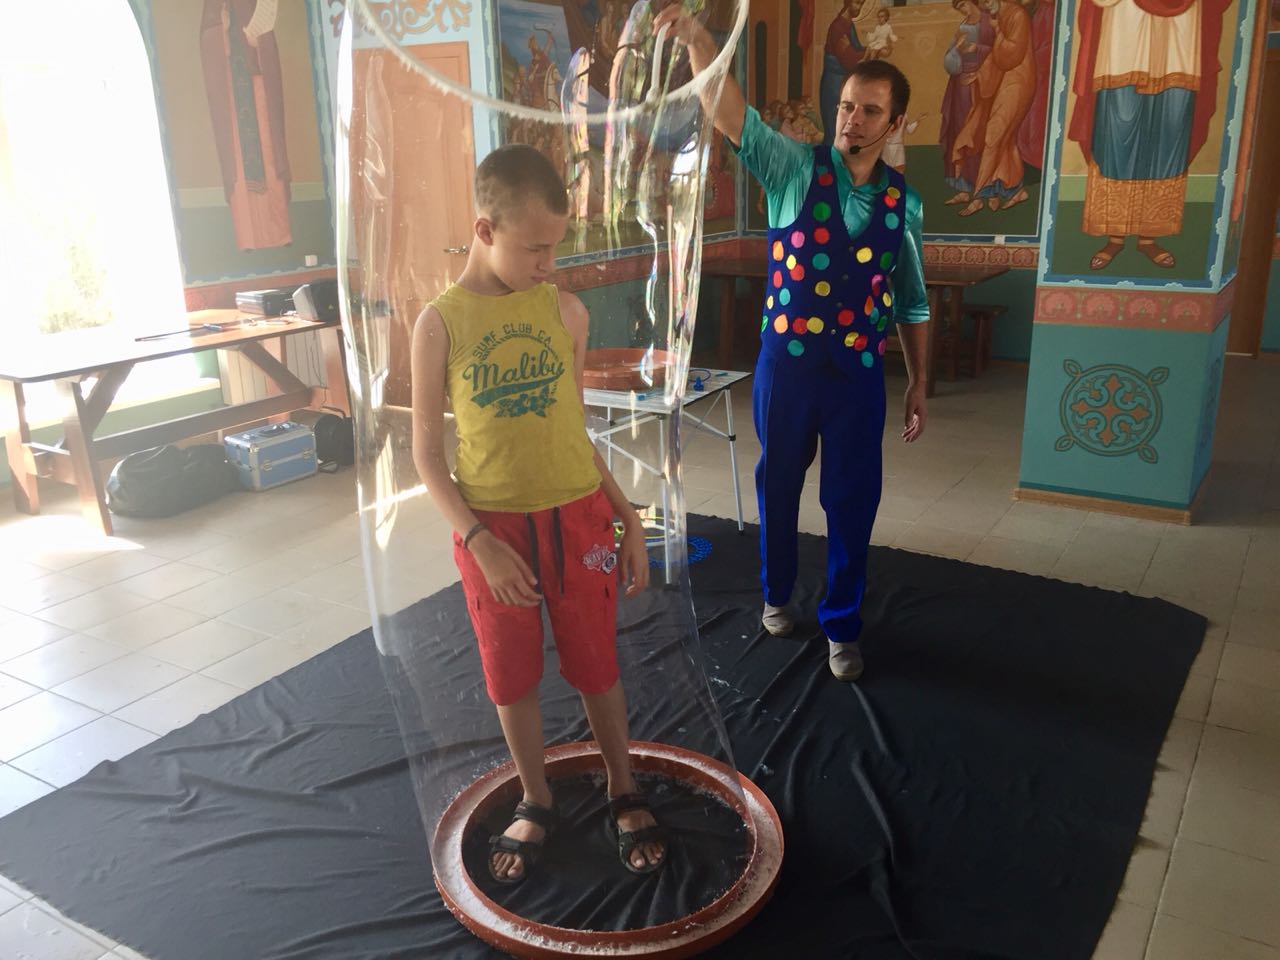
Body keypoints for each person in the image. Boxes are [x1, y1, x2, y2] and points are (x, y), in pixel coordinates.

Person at [411, 143, 666, 884]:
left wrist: (627, 516)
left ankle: (622, 785)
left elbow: (574, 431)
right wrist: (478, 540)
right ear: (484, 230)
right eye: (534, 249)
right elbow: (426, 456)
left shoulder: (566, 311)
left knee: (596, 662)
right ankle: (536, 795)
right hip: (495, 531)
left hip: (578, 519)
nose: (548, 264)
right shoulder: (440, 324)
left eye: (556, 247)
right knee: (511, 673)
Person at [655, 8, 931, 683]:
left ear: (895, 123)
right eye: (846, 106)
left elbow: (912, 302)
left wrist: (920, 382)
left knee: (852, 498)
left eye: (869, 110)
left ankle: (842, 624)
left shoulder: (906, 204)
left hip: (858, 376)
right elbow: (731, 115)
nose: (852, 120)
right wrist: (702, 42)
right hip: (788, 368)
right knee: (778, 484)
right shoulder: (792, 169)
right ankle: (776, 594)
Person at [1067, 0, 1230, 269]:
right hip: (1123, 39)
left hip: (1178, 41)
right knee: (1118, 133)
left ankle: (1149, 236)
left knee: (1168, 135)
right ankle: (1114, 233)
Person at [951, 0, 1036, 216]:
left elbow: (1010, 56)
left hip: (1018, 82)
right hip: (1007, 80)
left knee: (993, 134)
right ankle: (1015, 189)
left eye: (988, 1)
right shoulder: (1001, 16)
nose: (986, 6)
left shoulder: (1017, 15)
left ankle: (980, 195)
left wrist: (998, 32)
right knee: (1006, 139)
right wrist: (980, 74)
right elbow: (996, 58)